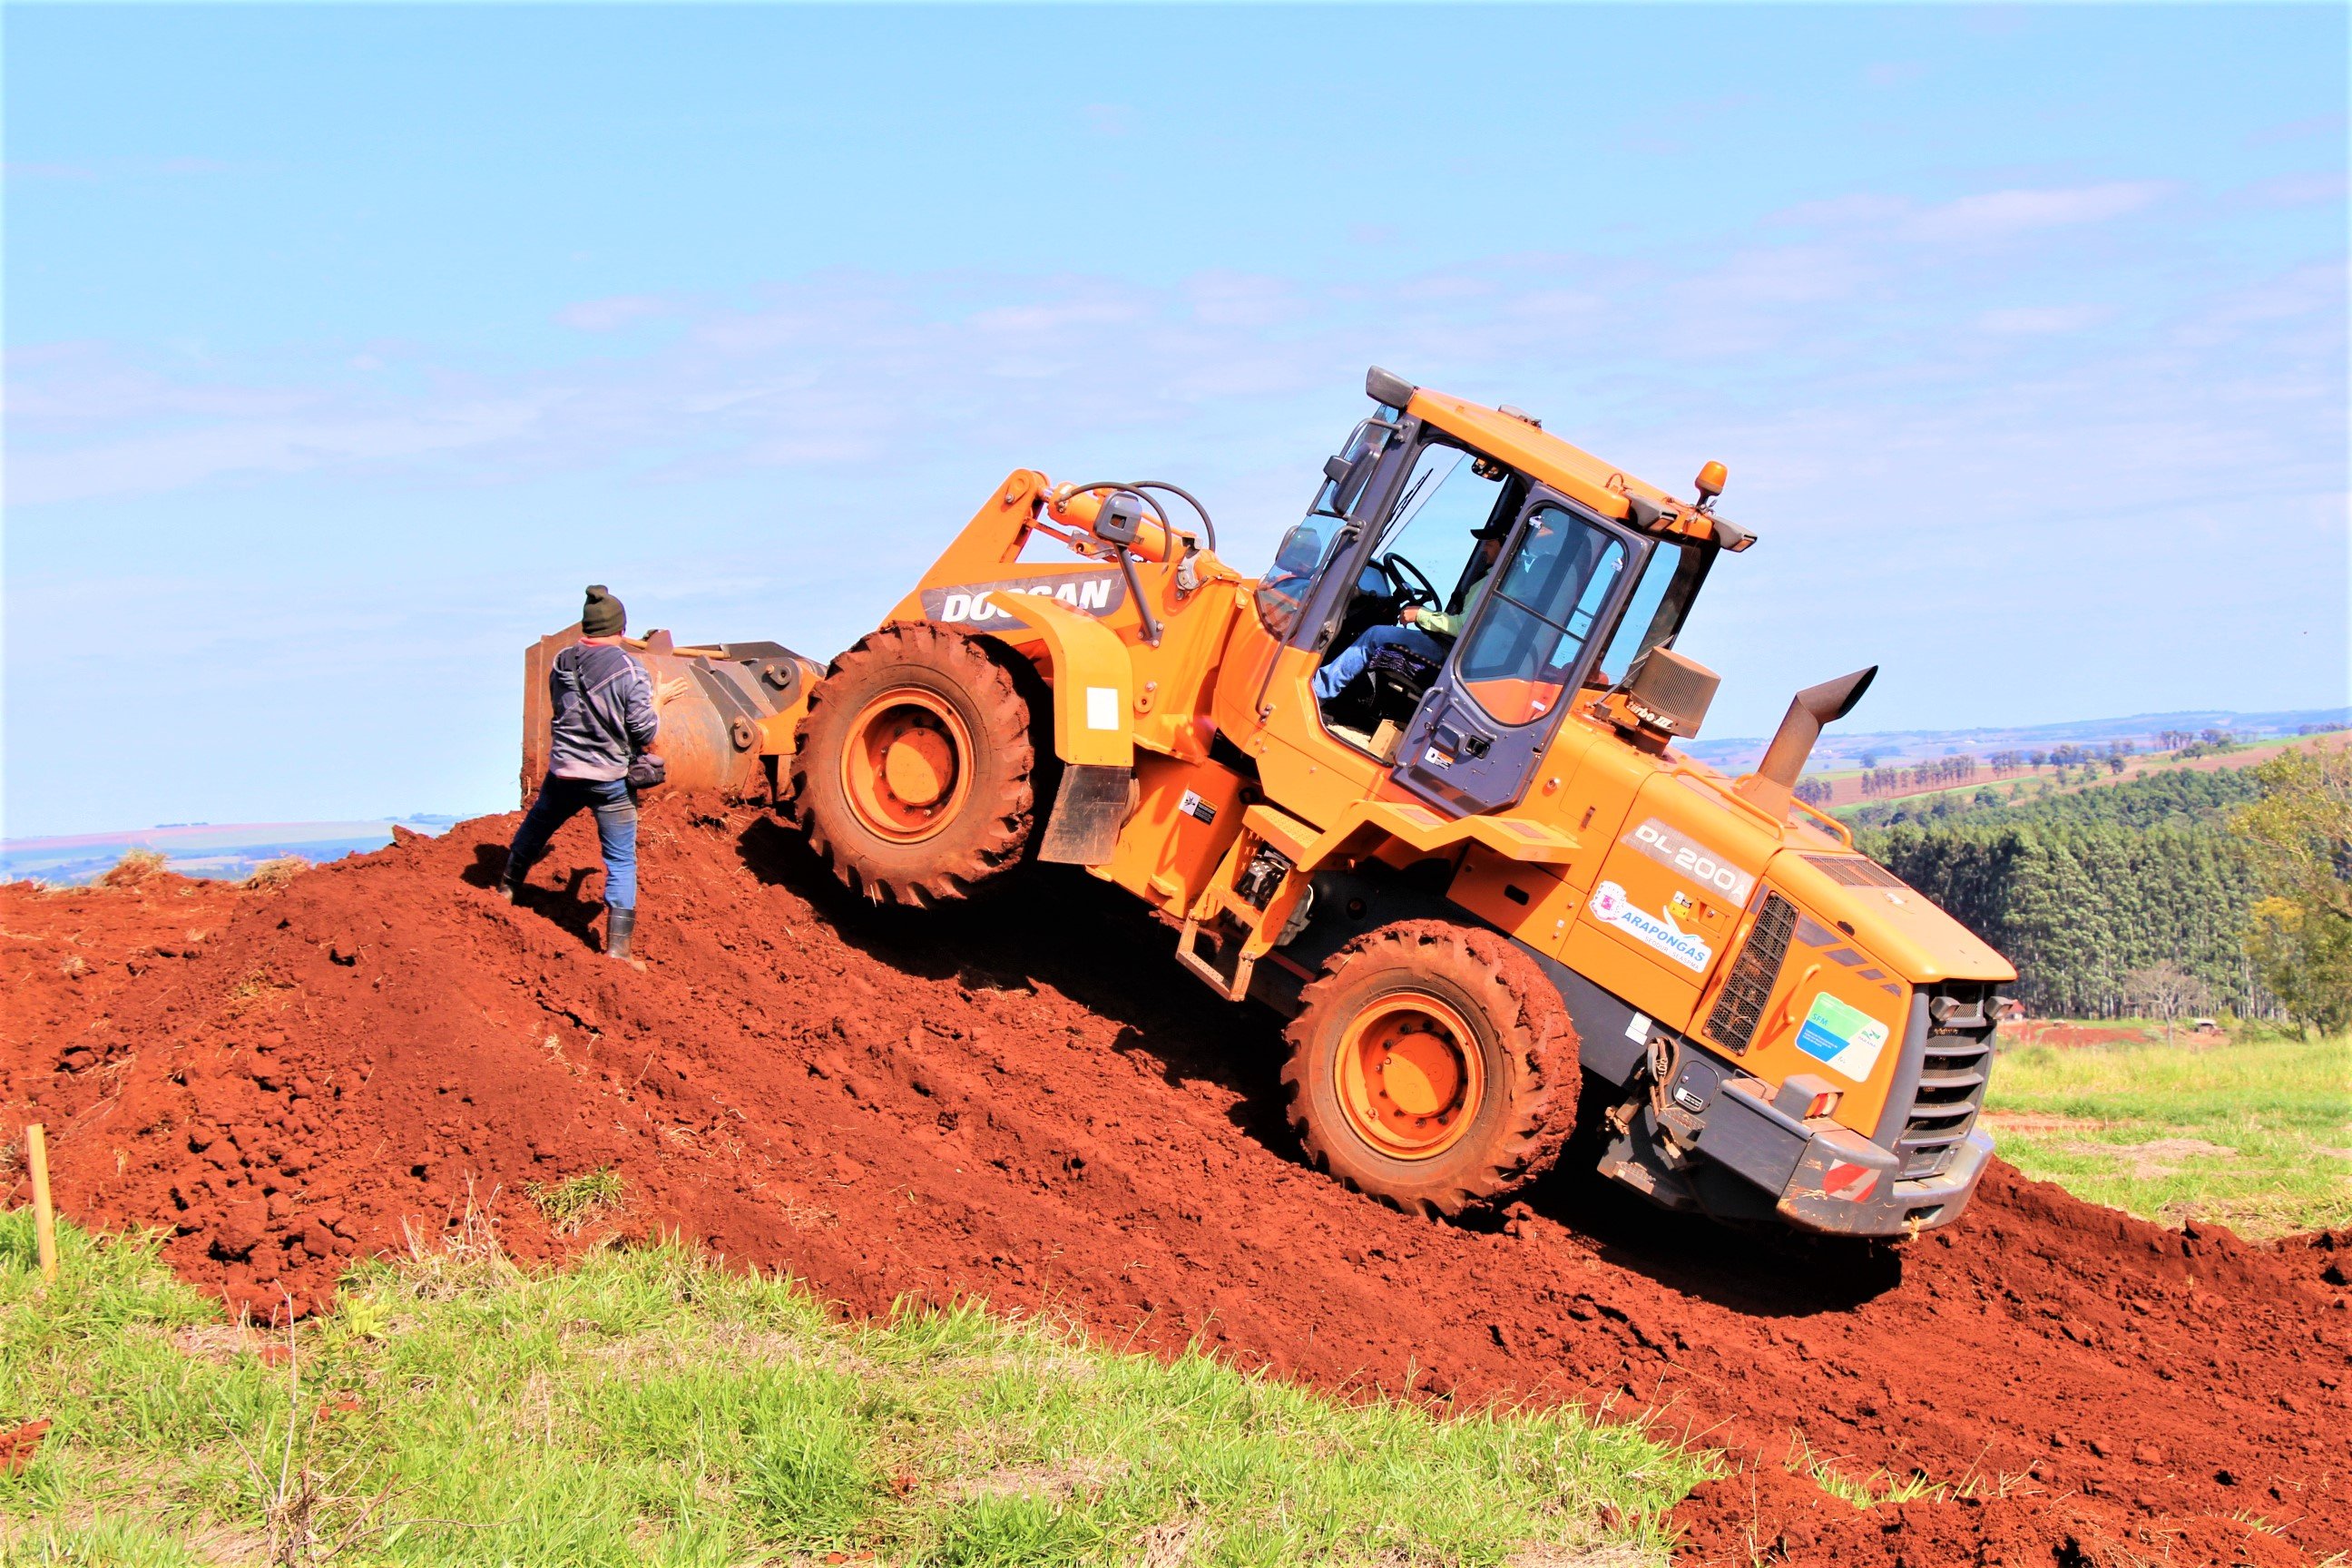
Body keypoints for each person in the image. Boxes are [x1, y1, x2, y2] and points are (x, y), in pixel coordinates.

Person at [501, 584, 661, 962]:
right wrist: (658, 702)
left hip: (565, 772)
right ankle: (617, 952)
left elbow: (564, 708)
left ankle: (505, 891)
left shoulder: (560, 661)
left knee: (537, 827)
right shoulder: (629, 669)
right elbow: (644, 731)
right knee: (620, 860)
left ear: (585, 628)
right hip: (610, 780)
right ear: (621, 630)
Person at [1313, 526, 1505, 702]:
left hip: (1450, 652)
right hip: (1455, 649)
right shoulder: (1497, 581)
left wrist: (1421, 615)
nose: (1483, 549)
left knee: (1375, 635)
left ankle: (1318, 691)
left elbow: (1463, 626)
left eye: (1489, 544)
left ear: (1504, 546)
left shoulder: (1492, 584)